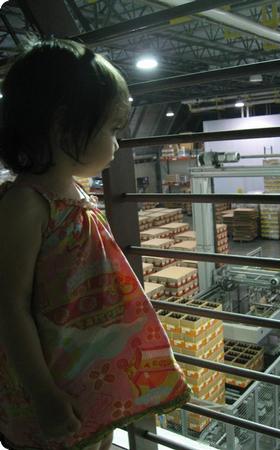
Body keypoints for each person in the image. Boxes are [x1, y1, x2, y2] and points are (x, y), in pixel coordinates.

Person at [0, 38, 191, 450]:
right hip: (51, 391)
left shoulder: (73, 192)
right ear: (63, 125)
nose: (118, 143)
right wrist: (44, 396)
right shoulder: (26, 205)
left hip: (83, 382)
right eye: (111, 128)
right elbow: (9, 307)